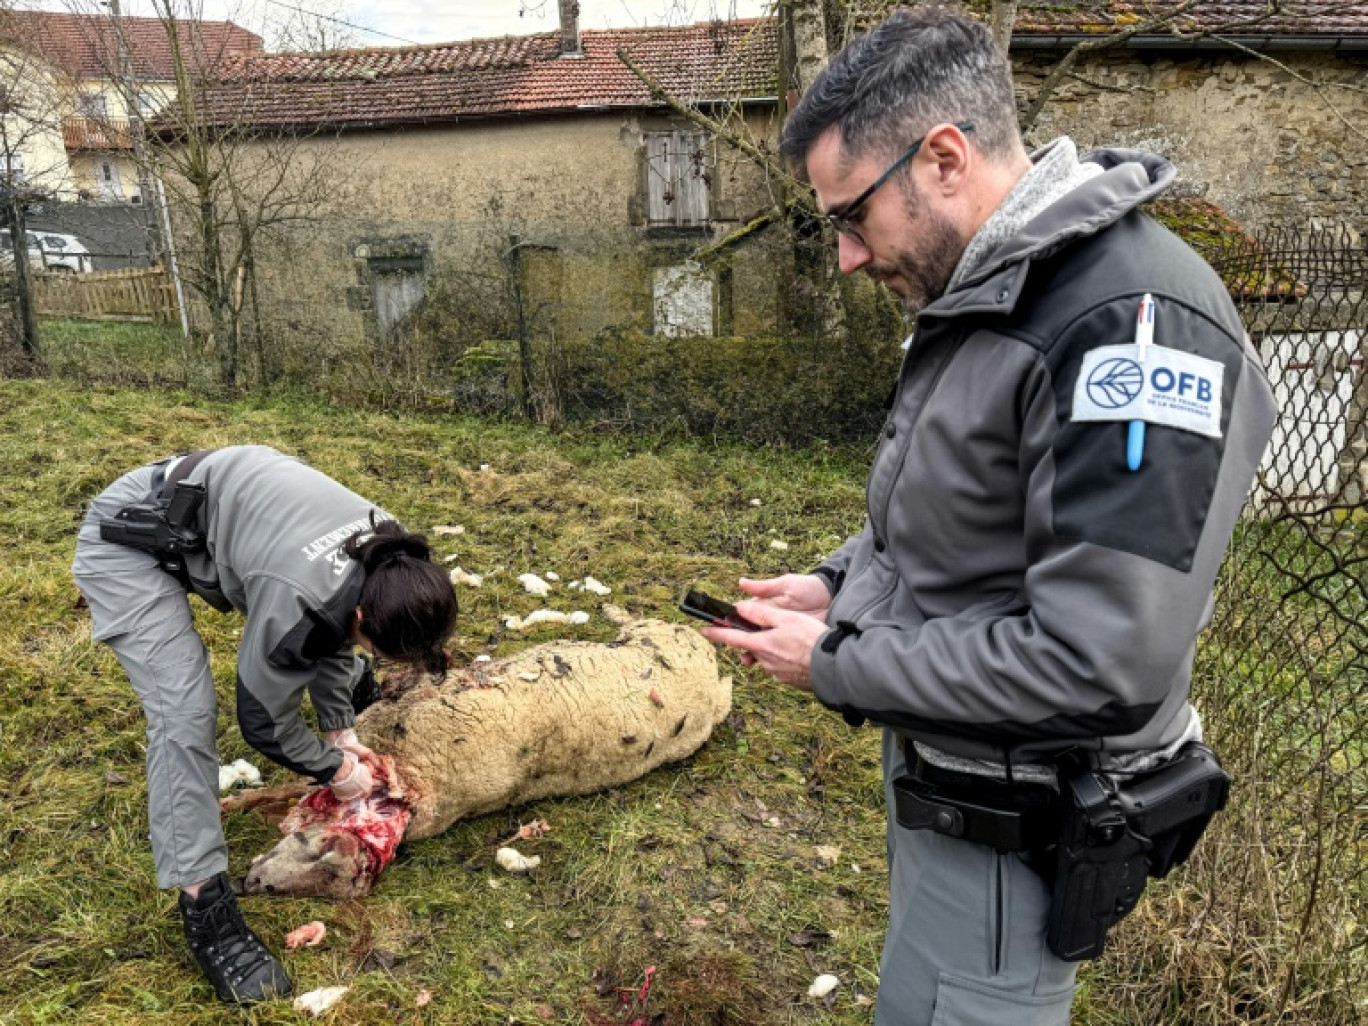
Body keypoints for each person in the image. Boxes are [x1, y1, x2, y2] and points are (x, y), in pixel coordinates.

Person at [701, 10, 1275, 1025]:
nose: (846, 256)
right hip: (949, 785)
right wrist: (842, 581)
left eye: (850, 217)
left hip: (1018, 827)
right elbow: (963, 501)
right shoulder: (992, 291)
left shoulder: (1127, 332)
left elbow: (1097, 663)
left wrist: (836, 660)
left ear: (945, 158)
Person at [72, 445, 457, 1005]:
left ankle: (345, 701)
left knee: (330, 649)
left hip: (209, 509)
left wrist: (340, 734)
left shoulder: (392, 553)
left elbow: (331, 632)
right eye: (377, 644)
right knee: (185, 712)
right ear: (362, 616)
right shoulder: (304, 599)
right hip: (129, 537)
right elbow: (264, 723)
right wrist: (335, 770)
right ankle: (207, 911)